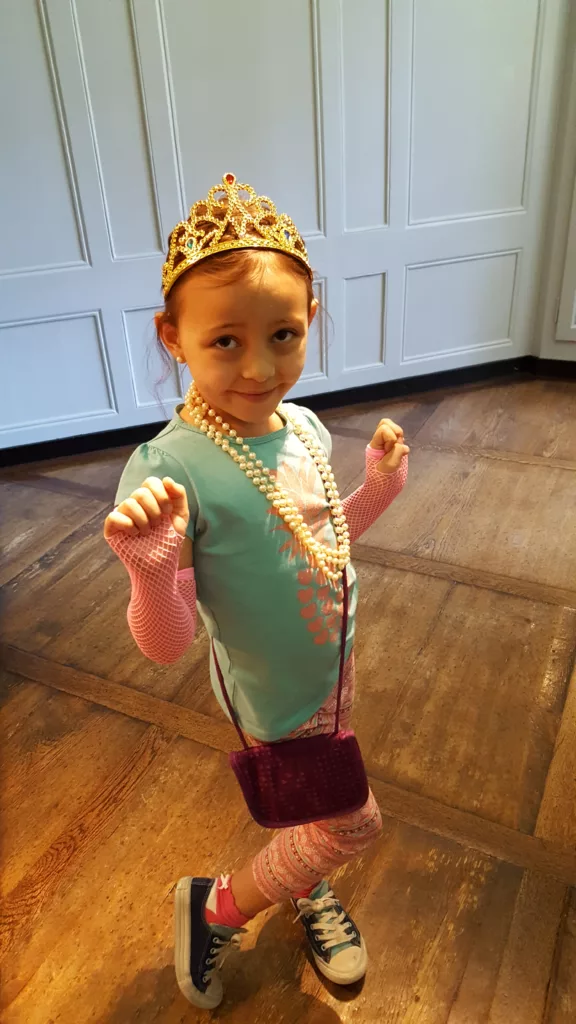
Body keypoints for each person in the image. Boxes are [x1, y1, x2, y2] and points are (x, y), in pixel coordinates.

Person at [104, 174, 409, 1010]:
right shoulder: (169, 469)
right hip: (272, 691)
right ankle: (216, 908)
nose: (261, 367)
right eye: (225, 343)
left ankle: (304, 882)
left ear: (312, 313)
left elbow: (320, 538)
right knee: (356, 823)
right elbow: (165, 644)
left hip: (333, 664)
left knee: (312, 811)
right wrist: (151, 569)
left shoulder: (303, 426)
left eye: (283, 333)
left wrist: (377, 488)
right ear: (174, 338)